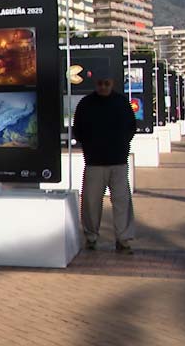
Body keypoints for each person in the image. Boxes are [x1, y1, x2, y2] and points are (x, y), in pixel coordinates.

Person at [73, 73, 137, 254]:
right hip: (94, 162)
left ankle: (123, 240)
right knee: (91, 203)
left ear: (112, 83)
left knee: (122, 202)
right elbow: (78, 129)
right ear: (96, 84)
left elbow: (131, 127)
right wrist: (90, 145)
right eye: (100, 83)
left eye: (106, 83)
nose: (103, 87)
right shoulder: (86, 104)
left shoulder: (122, 103)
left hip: (118, 161)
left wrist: (121, 144)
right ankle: (91, 238)